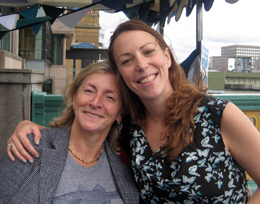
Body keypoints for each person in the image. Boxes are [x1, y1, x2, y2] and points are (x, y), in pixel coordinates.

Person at [7, 20, 260, 203]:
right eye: (127, 60)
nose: (141, 64)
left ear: (167, 57)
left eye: (148, 51)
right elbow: (87, 130)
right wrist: (30, 129)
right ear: (123, 74)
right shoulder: (131, 127)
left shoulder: (217, 115)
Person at [0, 61, 139, 203]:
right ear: (74, 98)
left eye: (109, 97)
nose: (96, 102)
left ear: (120, 113)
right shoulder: (29, 147)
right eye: (89, 91)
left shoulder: (128, 162)